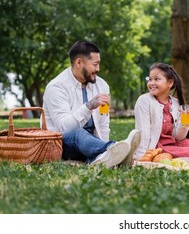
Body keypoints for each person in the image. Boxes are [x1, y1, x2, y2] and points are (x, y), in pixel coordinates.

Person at [42, 40, 140, 168]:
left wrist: (101, 142)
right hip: (60, 145)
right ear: (79, 63)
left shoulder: (102, 85)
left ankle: (103, 156)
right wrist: (89, 106)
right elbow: (64, 128)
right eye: (95, 64)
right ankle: (113, 148)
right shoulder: (56, 87)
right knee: (78, 134)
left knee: (89, 141)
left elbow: (103, 124)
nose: (98, 69)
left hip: (90, 145)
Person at [134, 62, 189, 160]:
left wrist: (185, 122)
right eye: (150, 79)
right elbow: (142, 131)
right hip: (157, 146)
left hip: (174, 143)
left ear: (170, 83)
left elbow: (178, 137)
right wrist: (142, 157)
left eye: (156, 79)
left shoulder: (176, 103)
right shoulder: (144, 101)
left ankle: (172, 155)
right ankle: (161, 156)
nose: (151, 83)